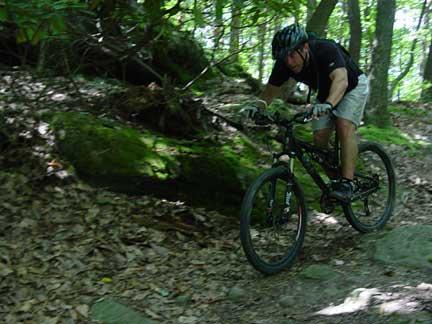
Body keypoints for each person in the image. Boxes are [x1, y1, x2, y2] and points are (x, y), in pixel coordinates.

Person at [245, 23, 369, 202]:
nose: (289, 61)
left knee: (343, 125)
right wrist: (257, 107)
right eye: (284, 57)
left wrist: (328, 104)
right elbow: (269, 93)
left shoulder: (325, 49)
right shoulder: (284, 63)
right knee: (319, 139)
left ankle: (347, 183)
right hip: (325, 94)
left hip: (352, 86)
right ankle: (336, 181)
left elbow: (341, 80)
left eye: (292, 55)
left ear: (304, 47)